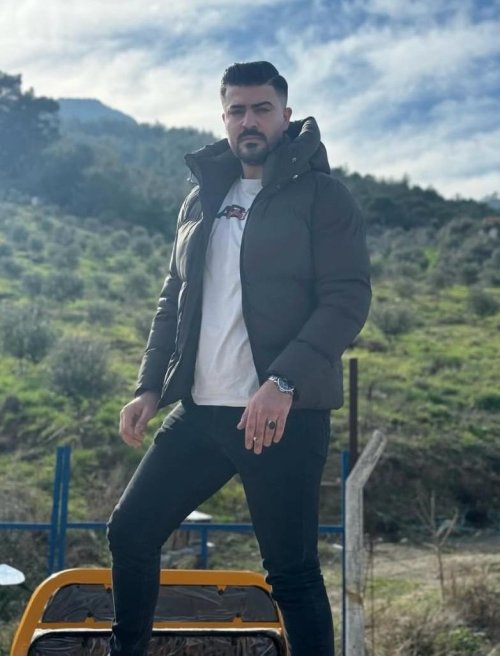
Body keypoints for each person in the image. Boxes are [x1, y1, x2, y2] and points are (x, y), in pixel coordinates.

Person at [107, 60, 371, 656]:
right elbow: (174, 300)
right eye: (237, 110)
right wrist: (150, 386)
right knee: (131, 532)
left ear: (285, 114)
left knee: (291, 573)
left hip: (281, 418)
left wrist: (284, 381)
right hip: (201, 413)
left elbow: (347, 298)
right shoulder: (201, 200)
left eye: (261, 109)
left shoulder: (323, 197)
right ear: (224, 118)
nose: (249, 121)